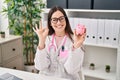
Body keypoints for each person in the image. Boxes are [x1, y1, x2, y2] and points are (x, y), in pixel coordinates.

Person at [33, 6, 86, 80]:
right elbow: (40, 67)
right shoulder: (46, 38)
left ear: (66, 20)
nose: (59, 22)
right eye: (54, 20)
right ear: (50, 23)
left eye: (61, 18)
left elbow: (71, 70)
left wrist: (76, 47)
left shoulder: (75, 40)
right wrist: (41, 41)